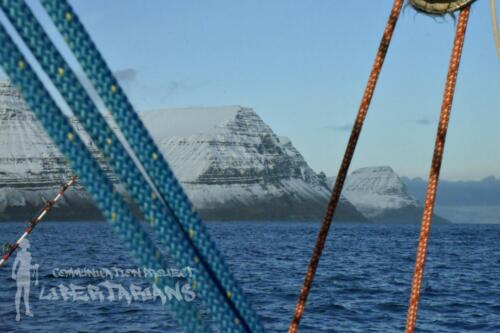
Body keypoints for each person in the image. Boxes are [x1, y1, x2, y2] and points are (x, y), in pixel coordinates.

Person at [11, 239, 38, 322]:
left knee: (25, 293)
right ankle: (18, 313)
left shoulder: (28, 254)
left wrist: (34, 267)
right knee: (20, 293)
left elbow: (26, 265)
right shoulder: (21, 254)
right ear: (25, 245)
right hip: (22, 274)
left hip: (25, 274)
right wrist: (13, 273)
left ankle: (26, 311)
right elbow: (16, 263)